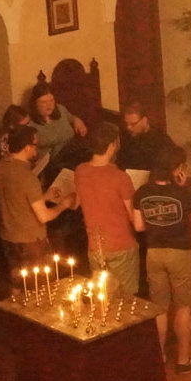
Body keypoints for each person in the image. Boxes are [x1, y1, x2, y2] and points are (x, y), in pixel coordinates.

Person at [133, 145, 191, 374]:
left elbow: (138, 226)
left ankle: (160, 355)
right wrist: (183, 189)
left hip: (154, 253)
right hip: (180, 253)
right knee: (183, 307)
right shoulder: (185, 194)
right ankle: (183, 360)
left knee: (160, 308)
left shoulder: (142, 192)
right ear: (177, 169)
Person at [0, 125, 75, 271]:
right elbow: (44, 216)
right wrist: (64, 204)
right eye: (36, 144)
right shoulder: (27, 177)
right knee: (39, 281)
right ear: (27, 147)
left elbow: (16, 199)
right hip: (30, 241)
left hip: (8, 236)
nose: (37, 149)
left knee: (18, 280)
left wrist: (43, 197)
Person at [75, 121, 139, 296]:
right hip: (121, 245)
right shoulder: (120, 178)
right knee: (125, 299)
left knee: (102, 297)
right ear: (111, 146)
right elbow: (134, 218)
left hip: (95, 247)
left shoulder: (80, 171)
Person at [29, 84, 87, 169]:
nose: (49, 105)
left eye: (51, 100)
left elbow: (71, 117)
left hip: (73, 150)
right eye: (43, 102)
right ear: (35, 103)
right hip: (52, 162)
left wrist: (77, 120)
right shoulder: (29, 122)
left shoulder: (60, 109)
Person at [116, 102, 176, 172]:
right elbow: (120, 162)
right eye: (127, 124)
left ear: (145, 120)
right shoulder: (126, 137)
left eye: (133, 124)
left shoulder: (161, 140)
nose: (128, 127)